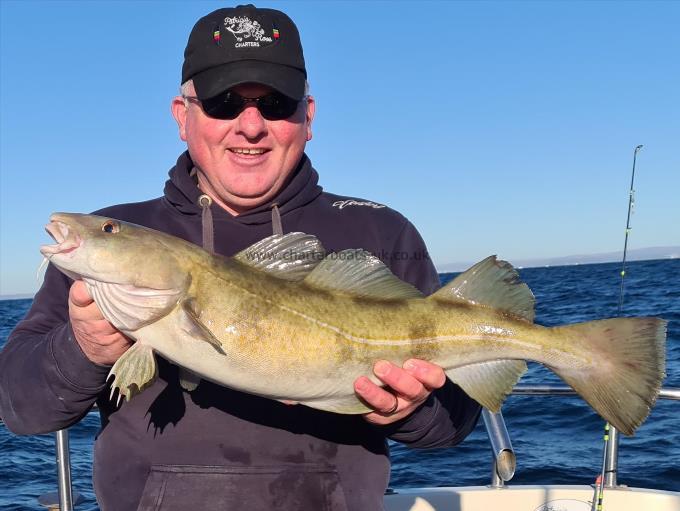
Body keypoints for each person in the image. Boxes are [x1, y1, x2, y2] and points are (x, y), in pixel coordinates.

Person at [0, 5, 480, 510]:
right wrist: (84, 348)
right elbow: (21, 410)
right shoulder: (102, 255)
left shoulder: (380, 231)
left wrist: (408, 409)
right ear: (182, 116)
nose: (250, 126)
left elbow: (453, 424)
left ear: (307, 117)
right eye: (222, 102)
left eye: (275, 103)